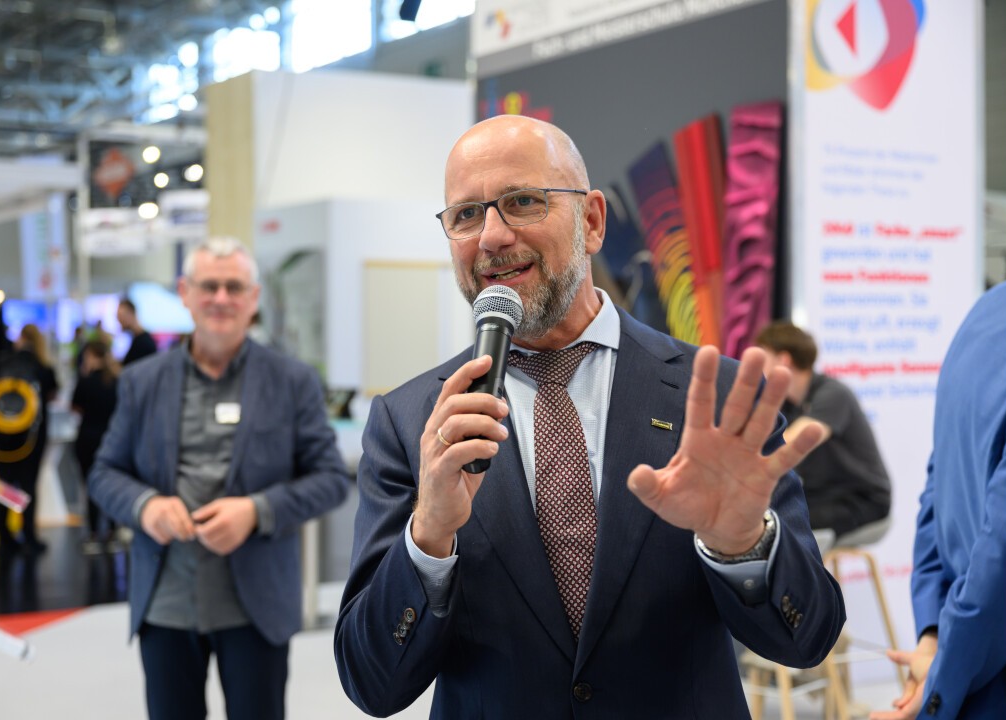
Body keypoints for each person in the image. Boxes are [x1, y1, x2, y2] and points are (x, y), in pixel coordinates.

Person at [334, 115, 845, 718]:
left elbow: (806, 639)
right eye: (466, 215)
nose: (492, 236)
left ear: (593, 221)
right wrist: (428, 537)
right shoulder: (411, 422)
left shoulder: (714, 398)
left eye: (522, 201)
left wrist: (743, 545)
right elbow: (372, 682)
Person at [89, 236, 352, 720]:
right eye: (209, 286)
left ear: (253, 299)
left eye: (235, 287)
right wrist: (145, 504)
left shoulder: (292, 381)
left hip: (256, 604)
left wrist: (256, 511)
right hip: (166, 599)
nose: (222, 299)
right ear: (185, 293)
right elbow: (105, 472)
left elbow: (331, 478)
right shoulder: (141, 381)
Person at [870, 279, 1006, 720]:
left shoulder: (987, 310)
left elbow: (939, 484)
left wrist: (933, 636)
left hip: (970, 672)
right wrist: (942, 682)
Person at [755, 321, 891, 548]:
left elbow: (794, 441)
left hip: (863, 500)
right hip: (823, 495)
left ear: (784, 360)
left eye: (763, 357)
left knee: (780, 522)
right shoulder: (788, 404)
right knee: (769, 513)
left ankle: (807, 582)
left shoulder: (832, 394)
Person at [0, 323, 59, 555]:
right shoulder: (41, 366)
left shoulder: (4, 362)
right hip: (31, 438)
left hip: (1, 435)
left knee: (3, 485)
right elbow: (52, 393)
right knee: (28, 486)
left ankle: (4, 536)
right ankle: (29, 535)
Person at [70, 339, 121, 554]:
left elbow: (75, 407)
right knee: (112, 485)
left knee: (90, 486)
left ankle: (92, 534)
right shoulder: (117, 381)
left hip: (88, 438)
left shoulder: (86, 381)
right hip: (111, 439)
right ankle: (111, 532)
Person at [118, 296, 158, 367]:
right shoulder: (138, 340)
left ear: (131, 314)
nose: (119, 321)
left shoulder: (144, 343)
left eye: (120, 316)